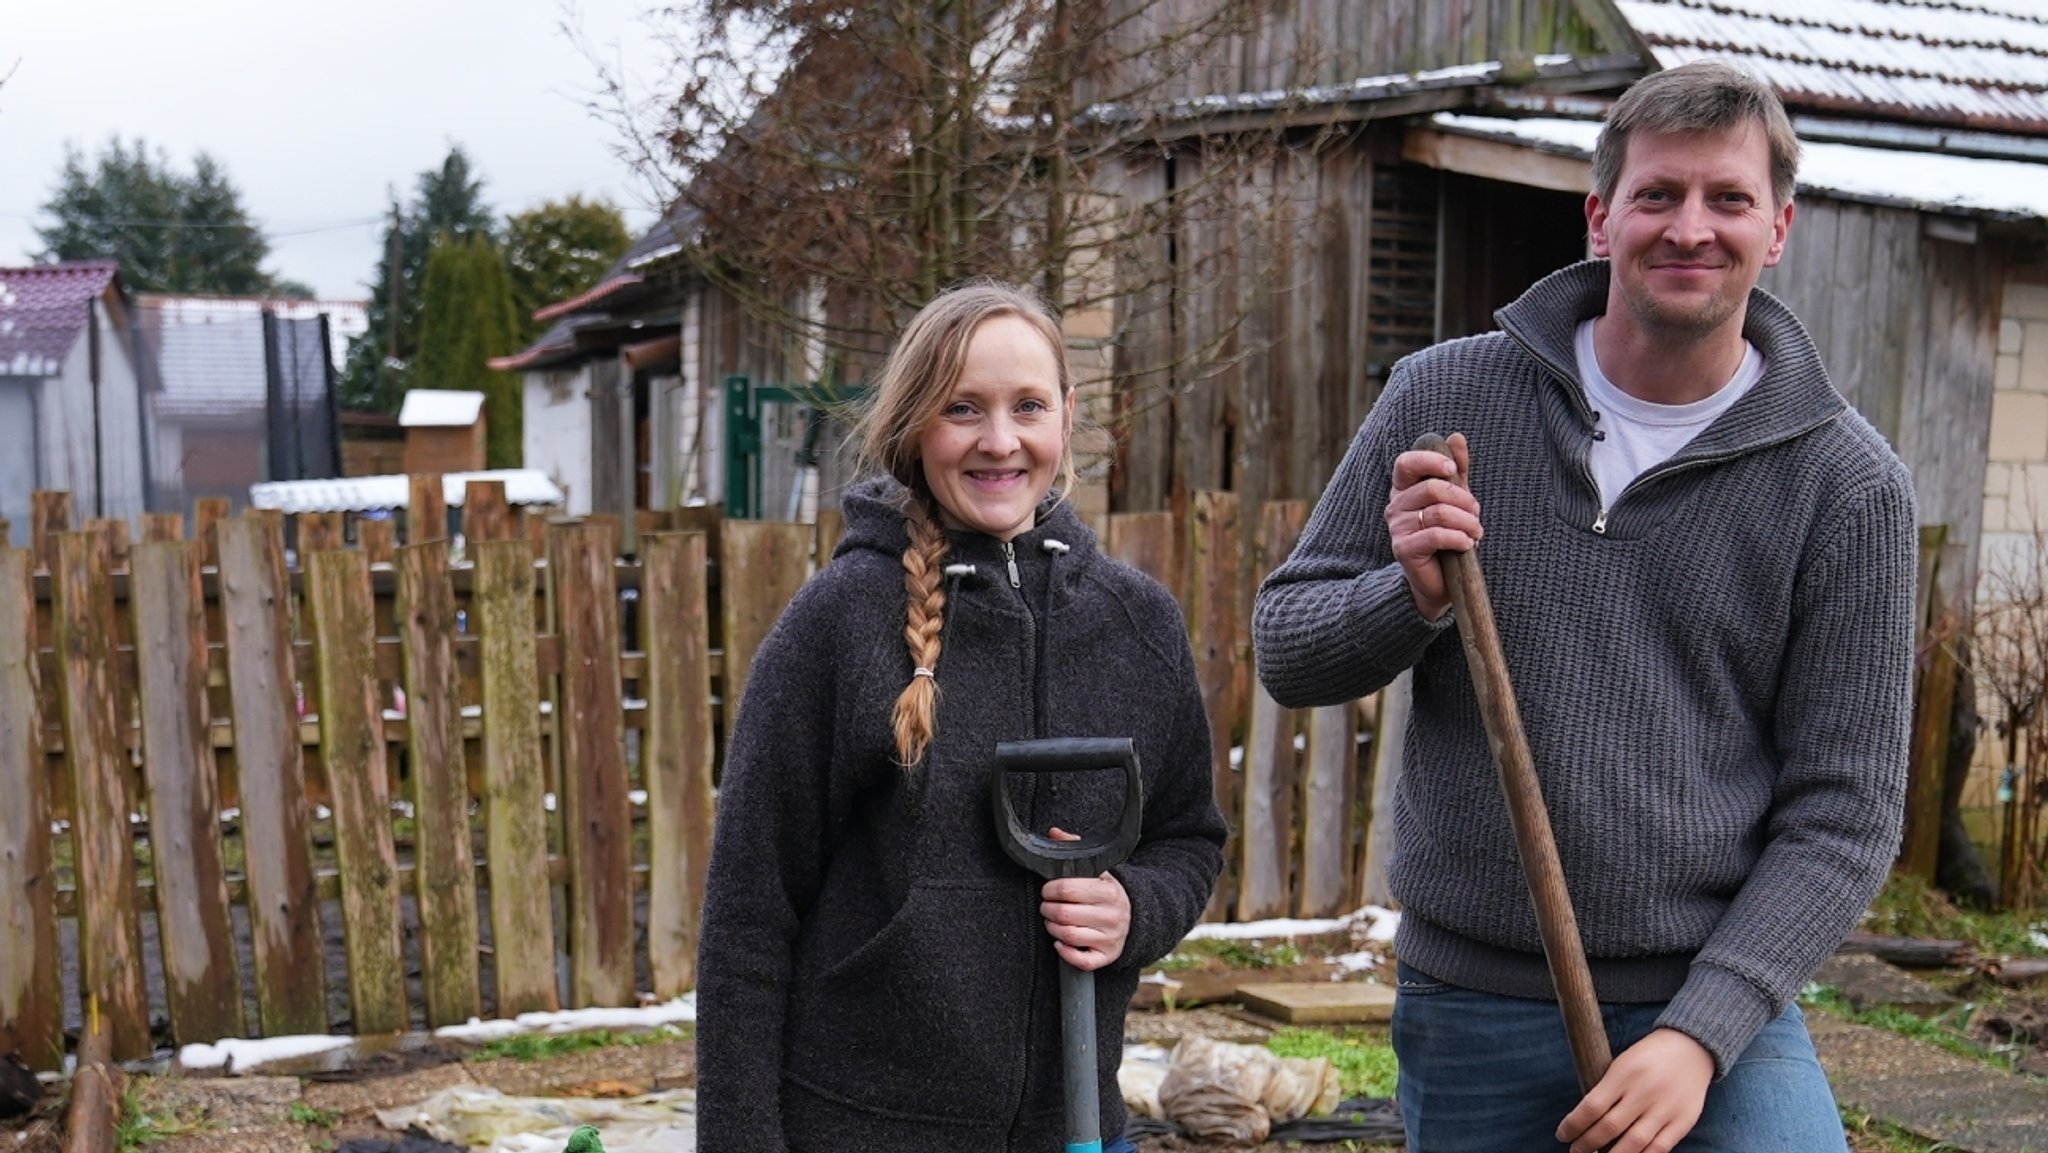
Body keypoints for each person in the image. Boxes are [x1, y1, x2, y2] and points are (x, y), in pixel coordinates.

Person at [1253, 61, 1915, 1153]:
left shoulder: (1844, 487)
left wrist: (1701, 1033)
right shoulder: (1444, 400)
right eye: (1656, 195)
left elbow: (1843, 815)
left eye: (1726, 199)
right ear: (1600, 218)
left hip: (1707, 1001)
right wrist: (1409, 593)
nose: (1688, 228)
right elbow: (1288, 649)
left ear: (1778, 228)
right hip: (1472, 999)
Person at [694, 280, 1227, 1153]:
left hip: (1077, 1125)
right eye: (963, 409)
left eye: (1029, 406)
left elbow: (1189, 836)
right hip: (861, 1127)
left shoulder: (1137, 623)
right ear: (913, 425)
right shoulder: (839, 623)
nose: (1001, 440)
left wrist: (1136, 906)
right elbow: (750, 919)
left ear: (1068, 414)